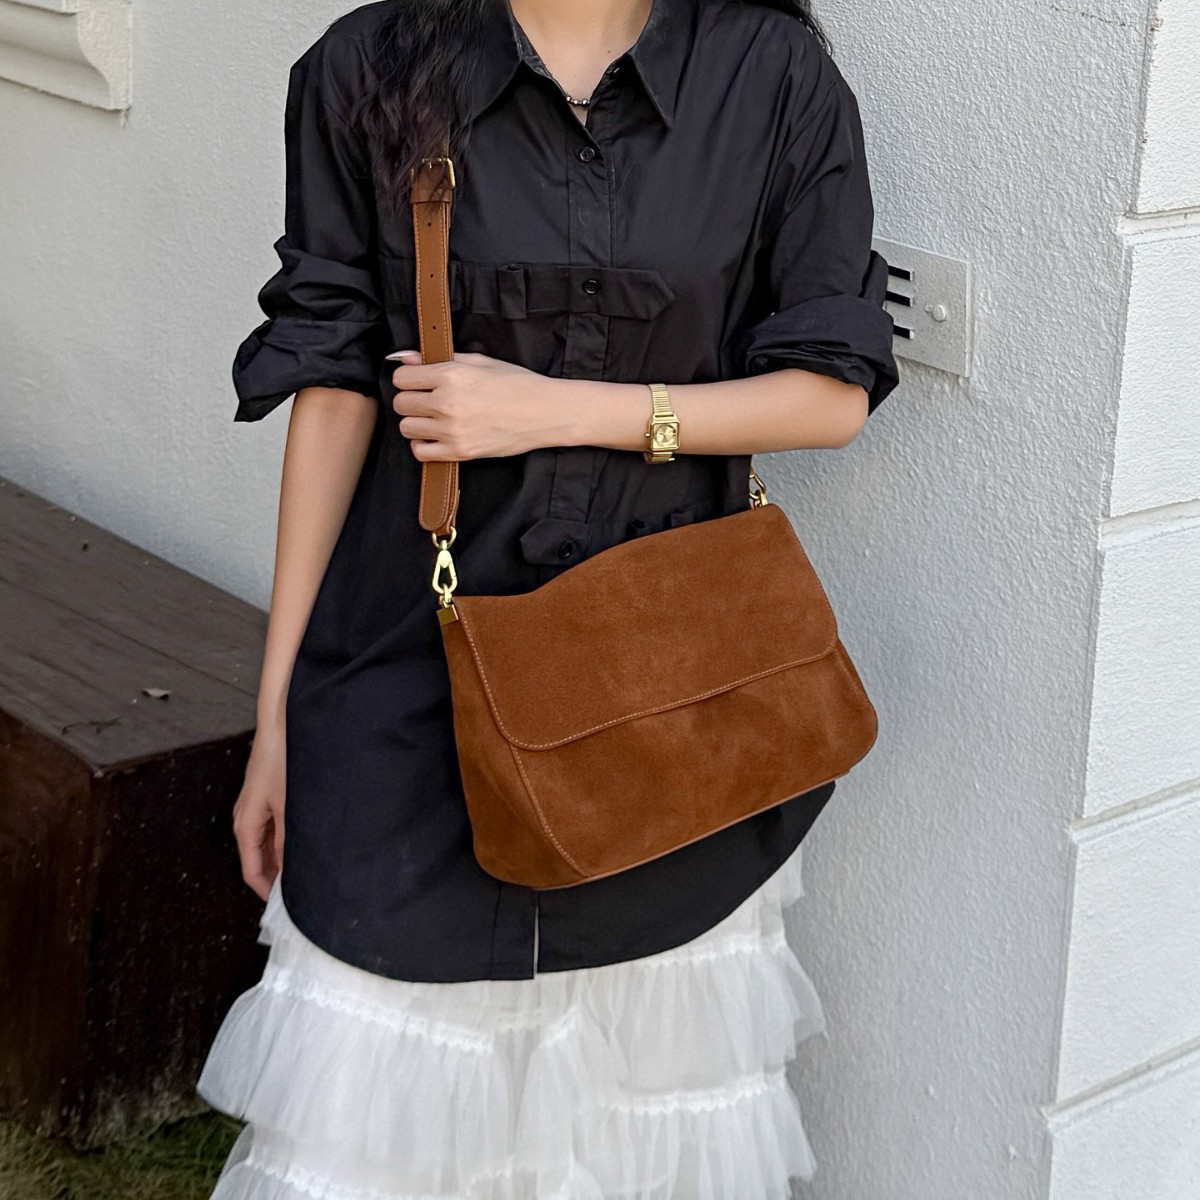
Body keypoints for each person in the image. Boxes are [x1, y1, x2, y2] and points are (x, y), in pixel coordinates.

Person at [195, 0, 899, 1195]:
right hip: (407, 666)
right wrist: (276, 716)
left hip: (666, 695)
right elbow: (334, 389)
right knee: (370, 1121)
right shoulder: (366, 65)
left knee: (635, 1124)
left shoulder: (770, 75)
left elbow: (832, 392)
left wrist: (557, 411)